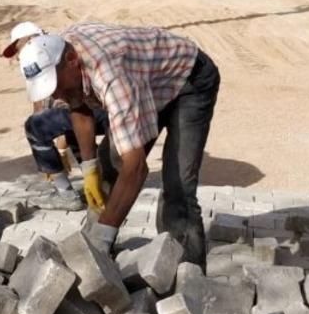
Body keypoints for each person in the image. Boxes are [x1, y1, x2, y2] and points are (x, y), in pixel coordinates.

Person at [18, 23, 221, 267]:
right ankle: (89, 254)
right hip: (146, 81)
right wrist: (90, 168)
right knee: (108, 169)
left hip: (189, 81)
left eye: (56, 85)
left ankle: (185, 274)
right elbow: (78, 106)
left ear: (72, 60)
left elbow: (136, 168)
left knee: (178, 186)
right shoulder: (60, 54)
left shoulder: (110, 77)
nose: (56, 94)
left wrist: (104, 237)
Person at [2, 22, 112, 212]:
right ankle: (97, 182)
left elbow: (63, 107)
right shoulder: (46, 54)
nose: (18, 55)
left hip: (101, 109)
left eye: (18, 46)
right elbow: (44, 107)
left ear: (32, 39)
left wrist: (52, 153)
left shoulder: (51, 57)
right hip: (97, 110)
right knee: (67, 129)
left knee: (36, 127)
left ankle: (66, 194)